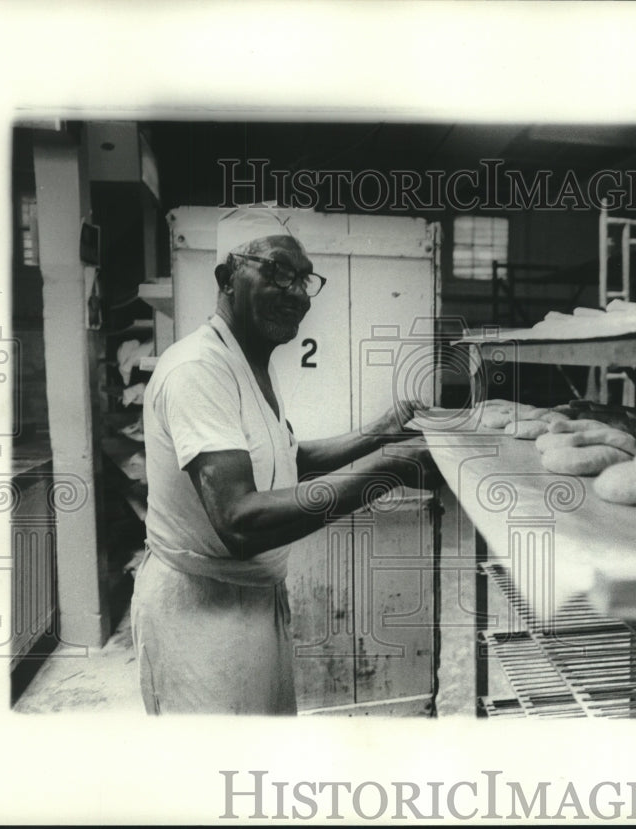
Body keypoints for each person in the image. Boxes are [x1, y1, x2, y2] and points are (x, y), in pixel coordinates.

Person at [130, 233, 436, 715]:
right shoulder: (198, 370)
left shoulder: (248, 363)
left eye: (304, 279)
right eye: (276, 272)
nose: (296, 292)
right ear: (227, 278)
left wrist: (382, 431)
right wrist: (388, 472)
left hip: (251, 603)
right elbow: (239, 518)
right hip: (201, 615)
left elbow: (288, 458)